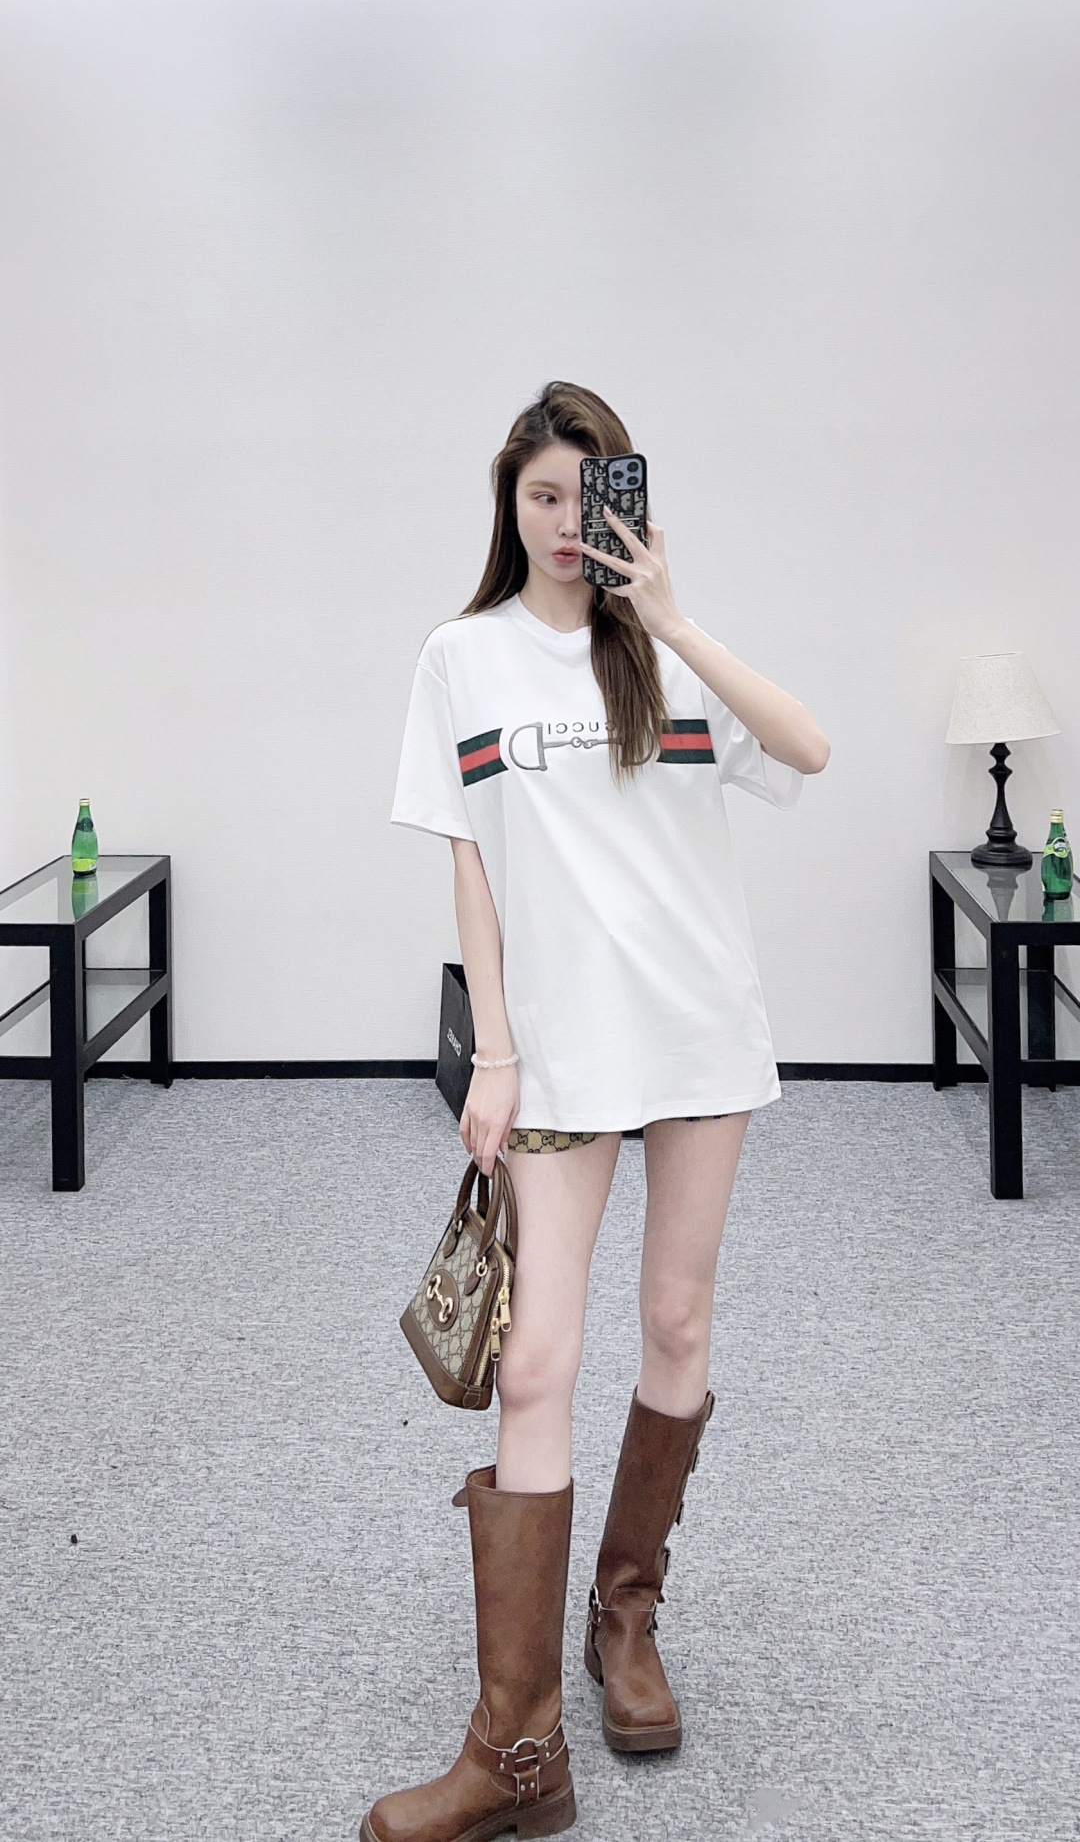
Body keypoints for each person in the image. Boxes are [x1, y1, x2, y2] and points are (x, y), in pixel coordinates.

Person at [364, 381, 830, 1842]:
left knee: (677, 1322)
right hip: (559, 1055)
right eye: (544, 498)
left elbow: (809, 749)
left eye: (590, 496)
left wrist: (673, 616)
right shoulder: (462, 657)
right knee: (536, 1365)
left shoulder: (667, 652)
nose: (568, 524)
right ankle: (517, 1751)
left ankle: (626, 1615)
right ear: (510, 508)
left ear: (630, 502)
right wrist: (494, 1052)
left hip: (695, 1038)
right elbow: (469, 864)